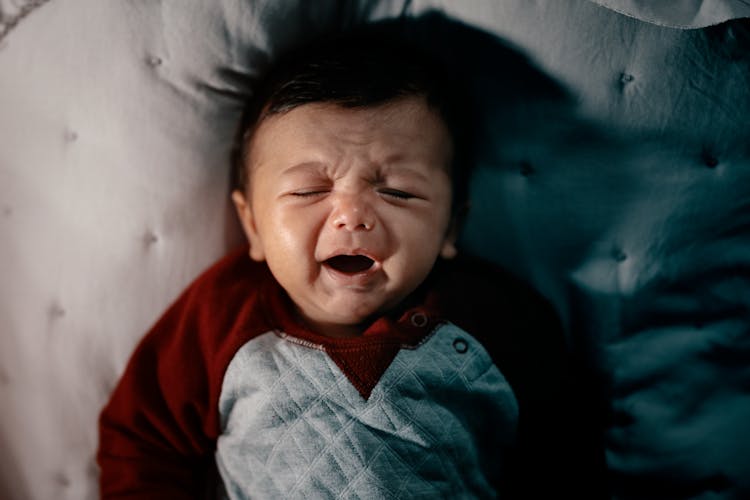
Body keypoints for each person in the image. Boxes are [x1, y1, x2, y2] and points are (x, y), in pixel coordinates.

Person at [98, 23, 599, 499]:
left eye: (398, 192)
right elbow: (143, 441)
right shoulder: (220, 315)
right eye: (310, 189)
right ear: (252, 225)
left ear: (450, 228)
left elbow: (561, 453)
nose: (353, 216)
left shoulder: (499, 318)